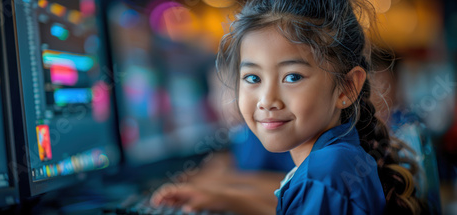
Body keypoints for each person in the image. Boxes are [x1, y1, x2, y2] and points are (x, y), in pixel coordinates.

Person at [151, 0, 425, 214]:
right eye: (253, 78)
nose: (267, 100)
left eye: (292, 77)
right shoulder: (332, 162)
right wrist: (220, 199)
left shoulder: (324, 175)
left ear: (347, 88)